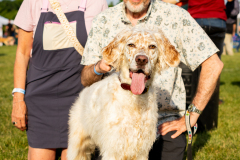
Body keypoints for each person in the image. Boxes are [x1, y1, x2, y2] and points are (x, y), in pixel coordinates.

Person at [80, 0, 223, 159]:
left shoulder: (176, 16)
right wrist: (97, 67)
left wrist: (192, 115)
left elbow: (213, 64)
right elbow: (86, 79)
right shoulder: (104, 20)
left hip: (163, 124)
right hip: (112, 122)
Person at [11, 0, 108, 159]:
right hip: (40, 102)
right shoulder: (33, 2)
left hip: (80, 101)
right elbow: (22, 54)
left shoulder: (97, 3)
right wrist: (18, 100)